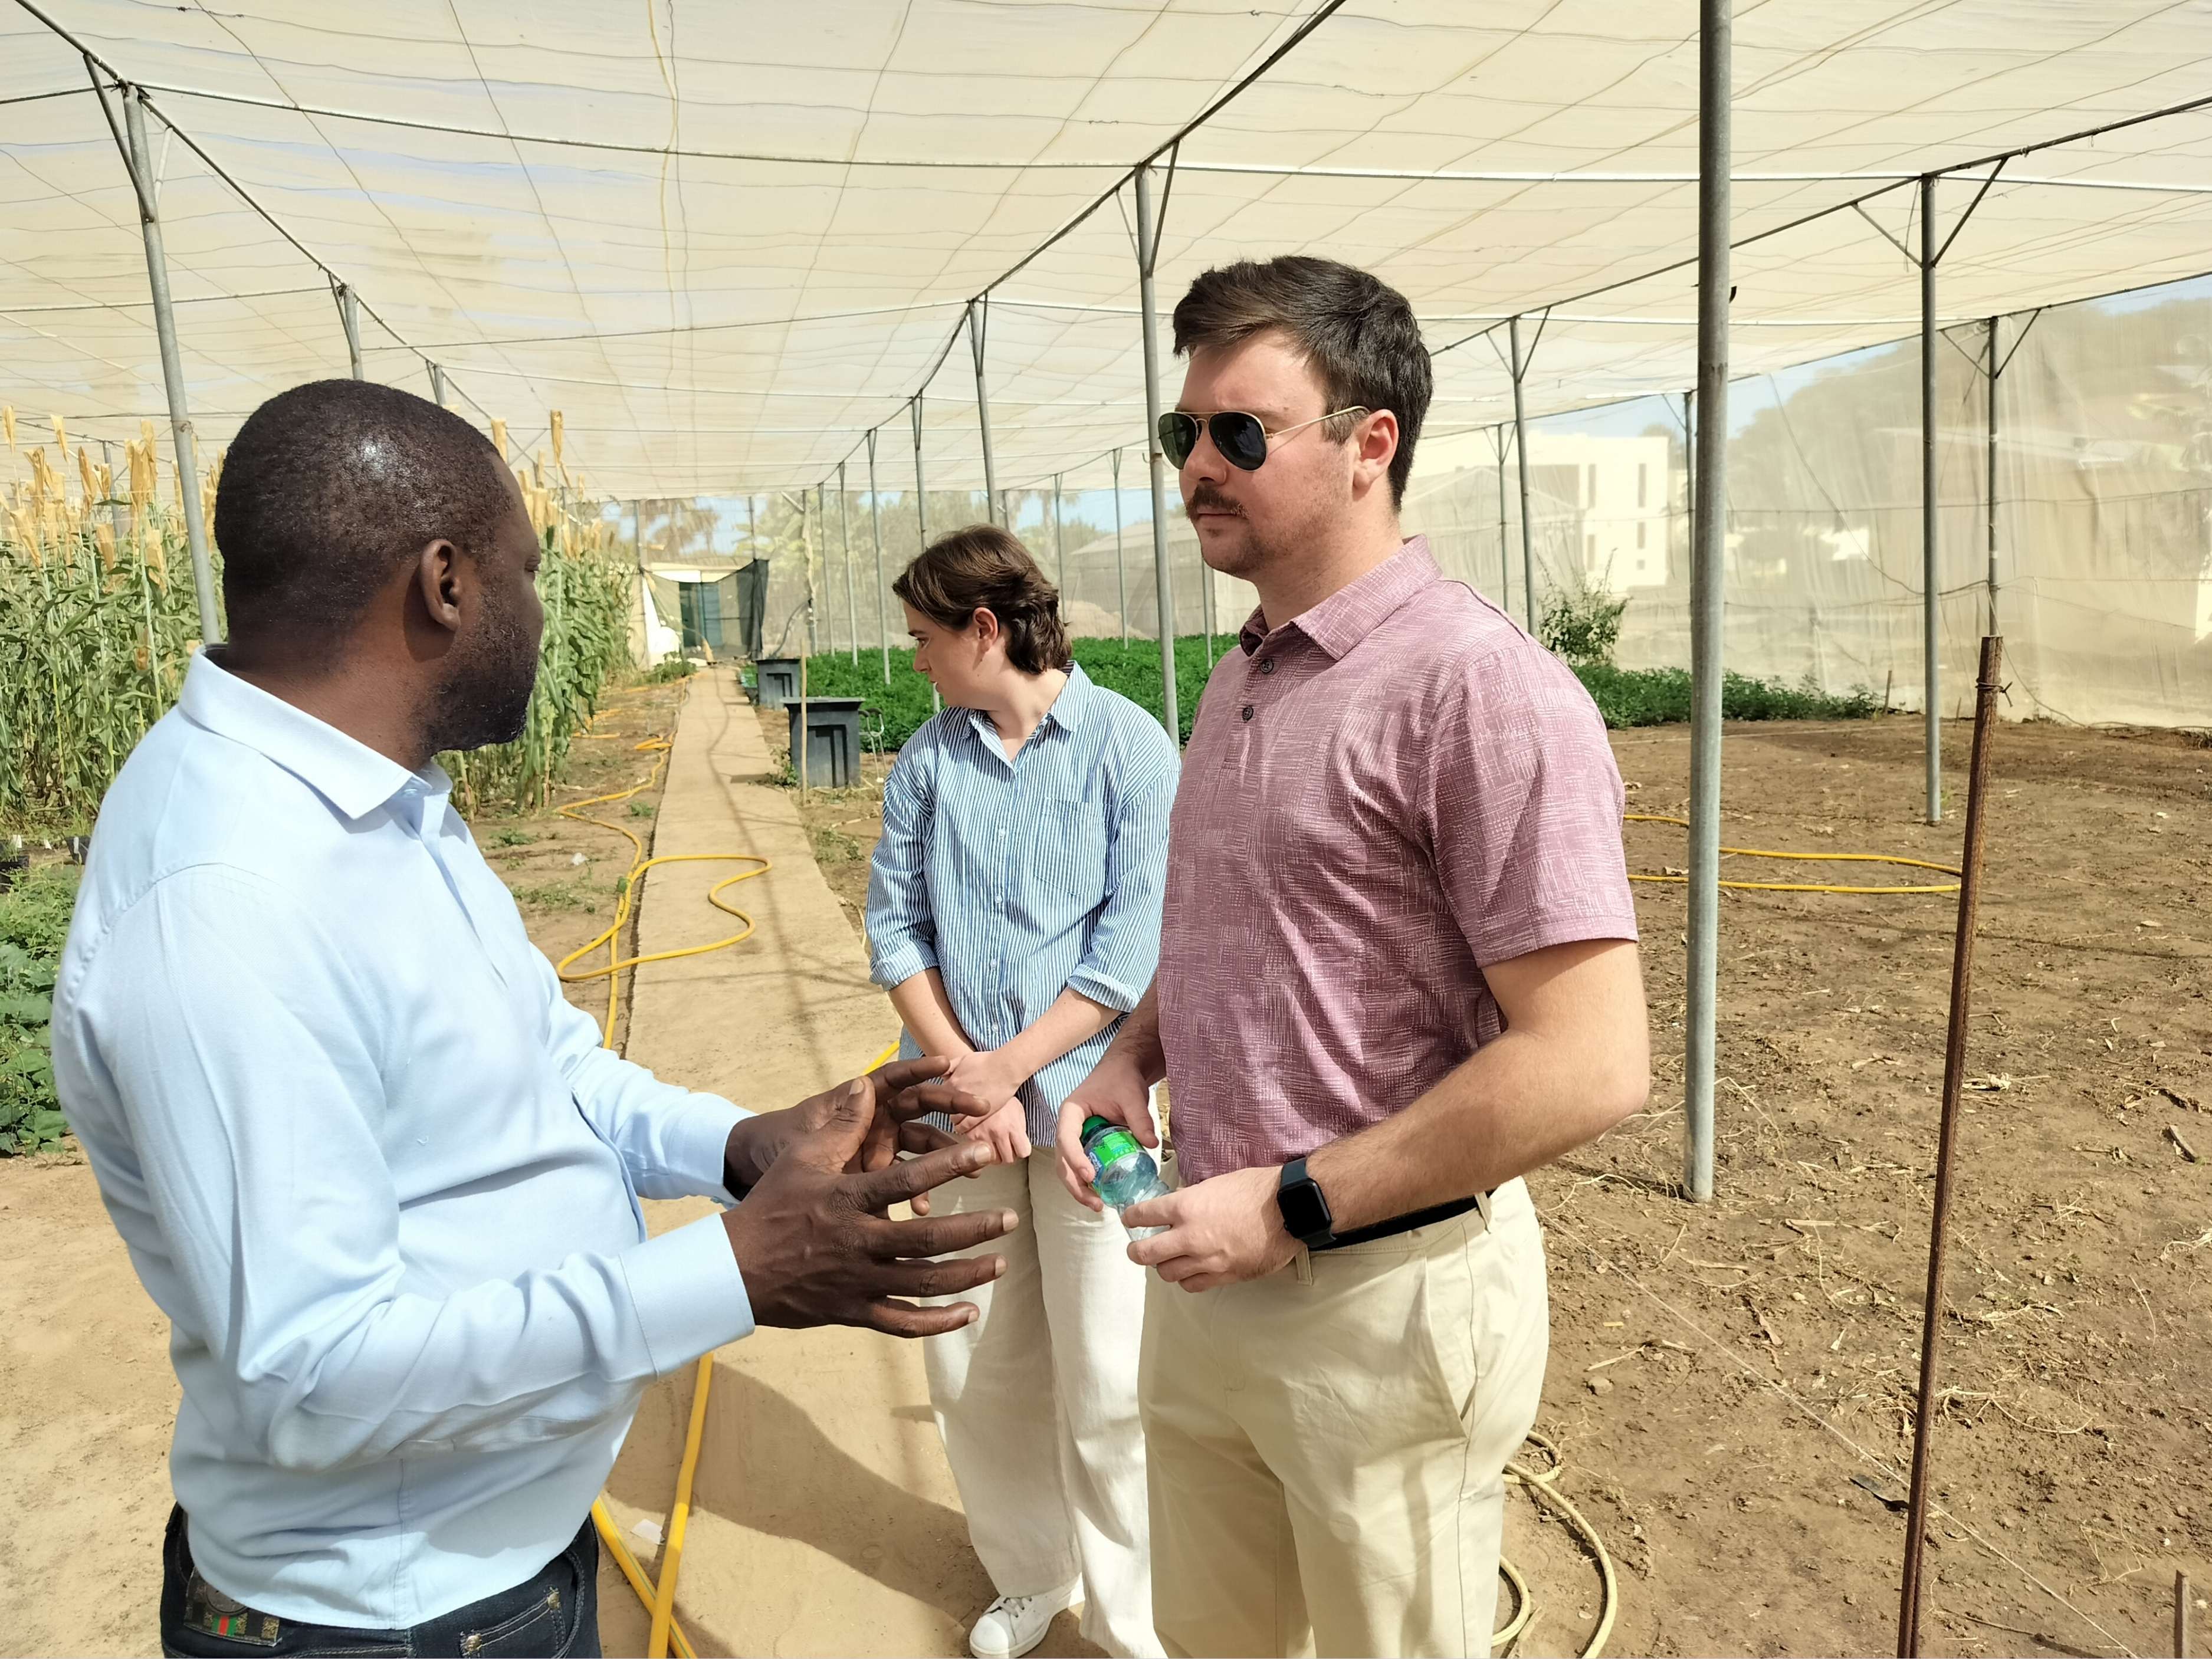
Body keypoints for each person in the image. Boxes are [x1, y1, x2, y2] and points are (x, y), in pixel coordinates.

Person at [50, 379, 1016, 1659]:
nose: (539, 608)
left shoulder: (391, 805)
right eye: (528, 571)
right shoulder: (227, 898)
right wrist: (731, 1270)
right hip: (391, 1614)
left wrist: (741, 1148)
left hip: (498, 1549)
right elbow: (315, 1368)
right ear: (445, 583)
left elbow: (545, 1061)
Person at [1053, 256, 1651, 1659]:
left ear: (1371, 442)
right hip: (1214, 1266)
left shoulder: (1480, 691)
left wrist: (1299, 1204)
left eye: (1238, 433)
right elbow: (1232, 926)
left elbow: (1593, 1062)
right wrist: (1131, 1058)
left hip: (1380, 1305)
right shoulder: (1246, 671)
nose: (1196, 464)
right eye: (1180, 433)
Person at [867, 525, 1177, 1659]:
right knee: (976, 1360)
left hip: (1100, 1107)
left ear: (983, 629)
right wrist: (969, 1074)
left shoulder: (1131, 751)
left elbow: (1128, 947)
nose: (916, 662)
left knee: (1111, 1370)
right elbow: (893, 926)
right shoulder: (930, 759)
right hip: (965, 1111)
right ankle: (1030, 1576)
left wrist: (1014, 1070)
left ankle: (1137, 1618)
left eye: (922, 638)